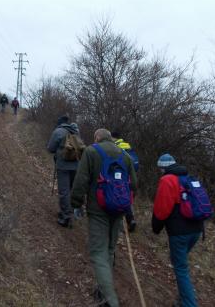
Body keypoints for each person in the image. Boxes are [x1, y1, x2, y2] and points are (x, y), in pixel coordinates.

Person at [71, 129, 137, 307]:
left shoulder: (91, 152)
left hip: (98, 209)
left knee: (98, 252)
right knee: (108, 249)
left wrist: (76, 203)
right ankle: (102, 290)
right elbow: (134, 185)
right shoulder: (125, 156)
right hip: (118, 210)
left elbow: (81, 179)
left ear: (96, 138)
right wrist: (124, 204)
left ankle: (110, 301)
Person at [152, 153, 202, 307]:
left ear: (162, 168)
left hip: (180, 232)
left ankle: (188, 303)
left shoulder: (168, 180)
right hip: (196, 229)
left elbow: (162, 209)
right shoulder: (190, 178)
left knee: (180, 268)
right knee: (179, 262)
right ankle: (184, 298)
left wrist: (156, 227)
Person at [47, 115, 81, 227]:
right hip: (76, 165)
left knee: (64, 191)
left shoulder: (58, 131)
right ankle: (69, 211)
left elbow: (50, 148)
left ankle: (65, 217)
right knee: (70, 190)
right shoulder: (75, 131)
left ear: (60, 122)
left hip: (63, 166)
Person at [111, 131, 138, 232]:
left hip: (120, 176)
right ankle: (130, 219)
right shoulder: (127, 146)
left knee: (118, 196)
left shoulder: (115, 146)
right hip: (130, 176)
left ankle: (120, 224)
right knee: (127, 197)